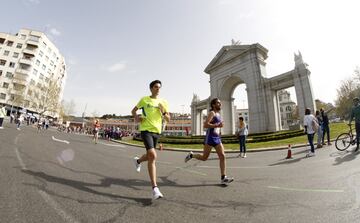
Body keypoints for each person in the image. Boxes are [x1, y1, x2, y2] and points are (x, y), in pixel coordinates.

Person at [131, 80, 170, 200]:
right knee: (153, 155)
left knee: (150, 155)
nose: (158, 89)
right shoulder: (144, 100)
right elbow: (133, 111)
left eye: (159, 87)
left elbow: (168, 119)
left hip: (157, 131)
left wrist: (163, 111)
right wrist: (137, 117)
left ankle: (138, 161)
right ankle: (155, 188)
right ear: (151, 88)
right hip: (146, 130)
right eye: (156, 87)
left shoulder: (163, 102)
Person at [184, 98, 234, 185]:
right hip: (210, 138)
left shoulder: (218, 114)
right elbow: (205, 124)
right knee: (204, 158)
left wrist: (220, 127)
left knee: (222, 156)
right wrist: (217, 125)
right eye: (218, 103)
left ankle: (223, 177)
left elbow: (217, 127)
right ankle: (191, 155)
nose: (220, 104)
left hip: (217, 138)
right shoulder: (212, 113)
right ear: (213, 105)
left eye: (220, 103)